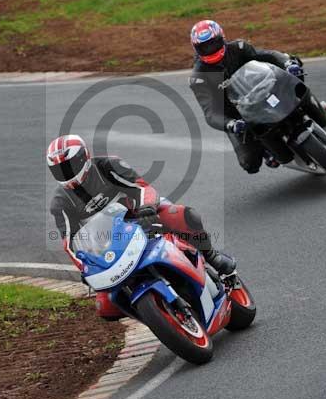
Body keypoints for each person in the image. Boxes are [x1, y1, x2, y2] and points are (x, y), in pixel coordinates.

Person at [47, 134, 237, 318]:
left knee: (184, 216)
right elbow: (70, 241)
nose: (66, 174)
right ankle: (154, 314)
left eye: (69, 166)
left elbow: (142, 187)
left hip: (142, 214)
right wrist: (84, 267)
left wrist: (147, 208)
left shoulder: (107, 166)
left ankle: (212, 256)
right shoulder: (60, 202)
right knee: (106, 307)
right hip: (111, 240)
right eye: (60, 170)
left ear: (84, 158)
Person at [189, 19, 309, 174]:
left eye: (213, 43)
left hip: (266, 91)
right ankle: (267, 150)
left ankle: (311, 106)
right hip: (239, 115)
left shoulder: (239, 47)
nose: (210, 49)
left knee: (295, 68)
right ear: (197, 49)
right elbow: (210, 113)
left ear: (222, 38)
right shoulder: (199, 77)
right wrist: (231, 124)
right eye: (204, 47)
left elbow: (269, 56)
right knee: (249, 163)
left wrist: (287, 63)